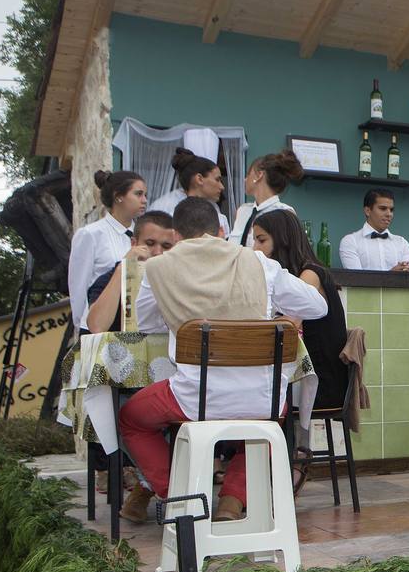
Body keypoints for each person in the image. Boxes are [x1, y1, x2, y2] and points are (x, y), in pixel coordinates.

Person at [117, 198, 328, 523]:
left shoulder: (157, 268)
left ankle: (179, 497)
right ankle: (232, 499)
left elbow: (145, 323)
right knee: (264, 423)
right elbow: (318, 307)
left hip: (193, 400)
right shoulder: (259, 263)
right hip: (263, 399)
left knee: (131, 417)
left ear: (176, 234)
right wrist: (272, 310)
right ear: (219, 230)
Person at [250, 209, 349, 491]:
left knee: (254, 398)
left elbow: (289, 324)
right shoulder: (301, 272)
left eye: (261, 240)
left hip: (320, 380)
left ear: (281, 241)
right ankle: (261, 473)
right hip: (310, 374)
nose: (256, 249)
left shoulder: (308, 275)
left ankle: (282, 467)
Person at [67, 170, 148, 332]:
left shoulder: (144, 234)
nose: (144, 200)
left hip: (134, 325)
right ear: (119, 196)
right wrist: (83, 326)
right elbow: (78, 287)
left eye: (145, 195)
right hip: (98, 324)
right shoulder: (90, 234)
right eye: (138, 194)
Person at [83, 210, 175, 335]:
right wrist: (123, 267)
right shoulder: (109, 278)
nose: (158, 252)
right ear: (134, 243)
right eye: (150, 243)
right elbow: (97, 327)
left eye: (166, 246)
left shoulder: (179, 279)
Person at [152, 148, 228, 236]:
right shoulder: (170, 216)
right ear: (199, 179)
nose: (222, 187)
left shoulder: (220, 218)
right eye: (217, 179)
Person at [229, 151, 299, 247]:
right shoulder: (242, 210)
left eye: (248, 174)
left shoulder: (284, 212)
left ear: (259, 175)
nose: (245, 179)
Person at [338, 188, 409, 272]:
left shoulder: (402, 243)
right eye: (383, 208)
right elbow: (356, 280)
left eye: (391, 210)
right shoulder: (350, 241)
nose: (389, 214)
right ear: (367, 211)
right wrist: (391, 276)